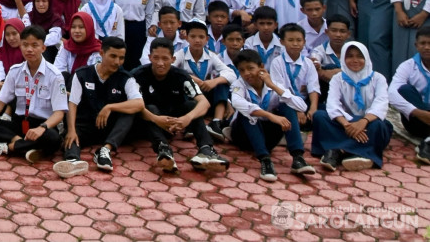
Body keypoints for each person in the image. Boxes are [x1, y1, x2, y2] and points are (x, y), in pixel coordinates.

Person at [131, 38, 230, 173]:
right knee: (149, 107)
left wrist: (187, 118)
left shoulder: (181, 76)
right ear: (149, 57)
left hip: (174, 121)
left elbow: (204, 102)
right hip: (149, 121)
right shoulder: (138, 75)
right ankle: (163, 149)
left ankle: (206, 149)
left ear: (172, 59)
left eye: (165, 59)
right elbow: (133, 106)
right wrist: (156, 119)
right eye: (156, 58)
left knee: (192, 105)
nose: (160, 63)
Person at [0, 25, 68, 161]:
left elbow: (59, 112)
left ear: (43, 48)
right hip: (20, 123)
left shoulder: (55, 75)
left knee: (53, 139)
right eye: (25, 45)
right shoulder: (15, 71)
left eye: (35, 45)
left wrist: (41, 128)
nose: (29, 49)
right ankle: (24, 144)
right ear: (20, 46)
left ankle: (6, 148)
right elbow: (0, 102)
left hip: (42, 125)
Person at [53, 36, 142, 177]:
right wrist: (71, 130)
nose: (117, 62)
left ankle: (105, 150)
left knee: (130, 112)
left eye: (121, 58)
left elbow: (139, 103)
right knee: (71, 135)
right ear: (101, 53)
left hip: (111, 127)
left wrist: (110, 107)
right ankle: (73, 161)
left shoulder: (126, 78)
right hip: (86, 125)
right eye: (113, 56)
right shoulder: (82, 74)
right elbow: (73, 103)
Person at [229, 48, 315, 182]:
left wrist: (273, 86)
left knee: (287, 106)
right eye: (242, 70)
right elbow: (238, 103)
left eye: (250, 68)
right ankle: (265, 161)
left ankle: (298, 157)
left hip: (268, 137)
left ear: (261, 67)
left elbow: (302, 107)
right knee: (246, 113)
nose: (247, 73)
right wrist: (271, 116)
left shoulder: (274, 84)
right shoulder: (238, 85)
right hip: (244, 136)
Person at [312, 41, 392, 171]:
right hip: (344, 123)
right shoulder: (338, 78)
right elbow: (332, 104)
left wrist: (363, 122)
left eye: (359, 56)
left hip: (368, 123)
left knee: (381, 126)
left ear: (366, 57)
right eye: (350, 56)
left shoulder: (378, 78)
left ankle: (337, 151)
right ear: (343, 58)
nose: (355, 60)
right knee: (320, 116)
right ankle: (360, 152)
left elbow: (381, 104)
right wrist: (347, 125)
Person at [388, 23, 430, 165]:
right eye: (423, 43)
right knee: (404, 90)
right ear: (416, 45)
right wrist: (417, 112)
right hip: (416, 121)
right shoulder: (408, 66)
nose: (427, 47)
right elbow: (391, 93)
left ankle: (427, 144)